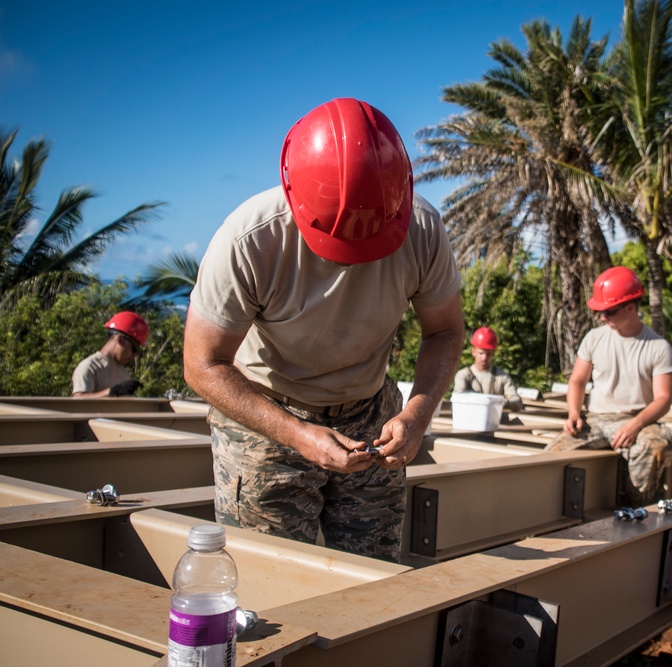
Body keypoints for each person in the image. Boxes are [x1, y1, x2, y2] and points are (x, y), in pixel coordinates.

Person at [183, 98, 464, 562]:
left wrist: (416, 415)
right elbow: (202, 363)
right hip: (266, 417)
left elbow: (445, 332)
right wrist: (298, 434)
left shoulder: (422, 230)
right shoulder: (250, 239)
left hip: (370, 413)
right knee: (270, 584)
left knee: (370, 577)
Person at [545, 267, 672, 506]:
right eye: (600, 312)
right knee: (550, 455)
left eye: (609, 312)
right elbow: (577, 381)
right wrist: (574, 414)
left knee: (657, 445)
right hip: (596, 420)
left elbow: (663, 398)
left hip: (636, 419)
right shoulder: (595, 338)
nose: (603, 318)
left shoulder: (658, 347)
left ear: (631, 307)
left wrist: (636, 425)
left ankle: (637, 507)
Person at [72, 311, 147, 398]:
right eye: (134, 349)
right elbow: (78, 399)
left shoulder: (124, 374)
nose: (135, 355)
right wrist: (111, 392)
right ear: (120, 340)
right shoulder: (90, 367)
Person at [453, 327, 523, 411]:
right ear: (473, 352)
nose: (484, 357)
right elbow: (458, 399)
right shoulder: (463, 375)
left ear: (493, 354)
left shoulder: (502, 377)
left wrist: (501, 403)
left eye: (488, 354)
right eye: (481, 353)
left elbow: (516, 402)